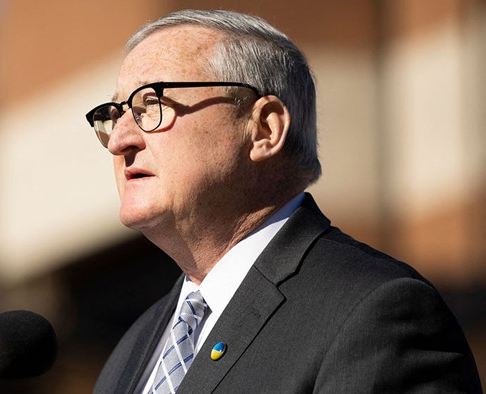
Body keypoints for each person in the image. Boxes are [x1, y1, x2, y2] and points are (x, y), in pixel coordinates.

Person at [85, 9, 481, 393]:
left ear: (264, 129)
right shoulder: (133, 349)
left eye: (151, 104)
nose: (120, 141)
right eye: (115, 114)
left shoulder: (374, 310)